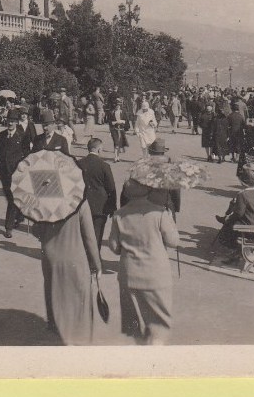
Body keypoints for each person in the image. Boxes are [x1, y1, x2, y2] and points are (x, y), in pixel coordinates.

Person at [108, 174, 180, 345]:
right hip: (156, 276)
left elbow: (114, 247)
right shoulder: (160, 213)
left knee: (133, 326)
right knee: (158, 325)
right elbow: (173, 242)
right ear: (148, 190)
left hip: (128, 275)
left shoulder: (119, 215)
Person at [32, 195, 103, 345]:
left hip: (51, 257)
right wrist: (97, 264)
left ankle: (56, 329)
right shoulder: (81, 203)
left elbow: (36, 231)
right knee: (77, 299)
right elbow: (90, 238)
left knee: (54, 293)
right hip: (74, 258)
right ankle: (76, 337)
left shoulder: (43, 201)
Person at [216, 166, 254, 262]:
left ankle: (235, 253)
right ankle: (236, 253)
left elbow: (239, 213)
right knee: (232, 224)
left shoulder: (242, 194)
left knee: (230, 225)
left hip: (253, 229)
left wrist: (228, 219)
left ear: (242, 182)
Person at [0, 108, 33, 238]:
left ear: (17, 123)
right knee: (12, 198)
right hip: (4, 173)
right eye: (9, 121)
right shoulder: (1, 135)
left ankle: (8, 227)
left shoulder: (22, 135)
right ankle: (19, 216)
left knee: (11, 198)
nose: (10, 124)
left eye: (13, 121)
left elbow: (27, 154)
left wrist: (26, 166)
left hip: (17, 172)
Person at [120, 139, 181, 215]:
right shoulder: (169, 167)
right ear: (163, 152)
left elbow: (129, 187)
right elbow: (176, 191)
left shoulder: (141, 165)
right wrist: (176, 207)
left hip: (144, 207)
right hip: (164, 206)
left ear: (151, 152)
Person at [76, 138, 118, 249]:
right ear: (99, 150)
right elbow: (111, 188)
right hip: (100, 206)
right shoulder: (104, 166)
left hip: (81, 203)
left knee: (82, 233)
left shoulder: (79, 164)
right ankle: (94, 261)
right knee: (97, 234)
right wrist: (112, 208)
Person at [108, 98, 129, 162]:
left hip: (121, 129)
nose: (117, 106)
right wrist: (114, 122)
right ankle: (115, 157)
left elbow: (126, 120)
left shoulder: (123, 112)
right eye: (116, 105)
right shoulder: (111, 112)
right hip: (114, 129)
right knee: (116, 143)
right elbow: (109, 121)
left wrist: (122, 121)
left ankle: (118, 157)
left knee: (120, 143)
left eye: (119, 105)